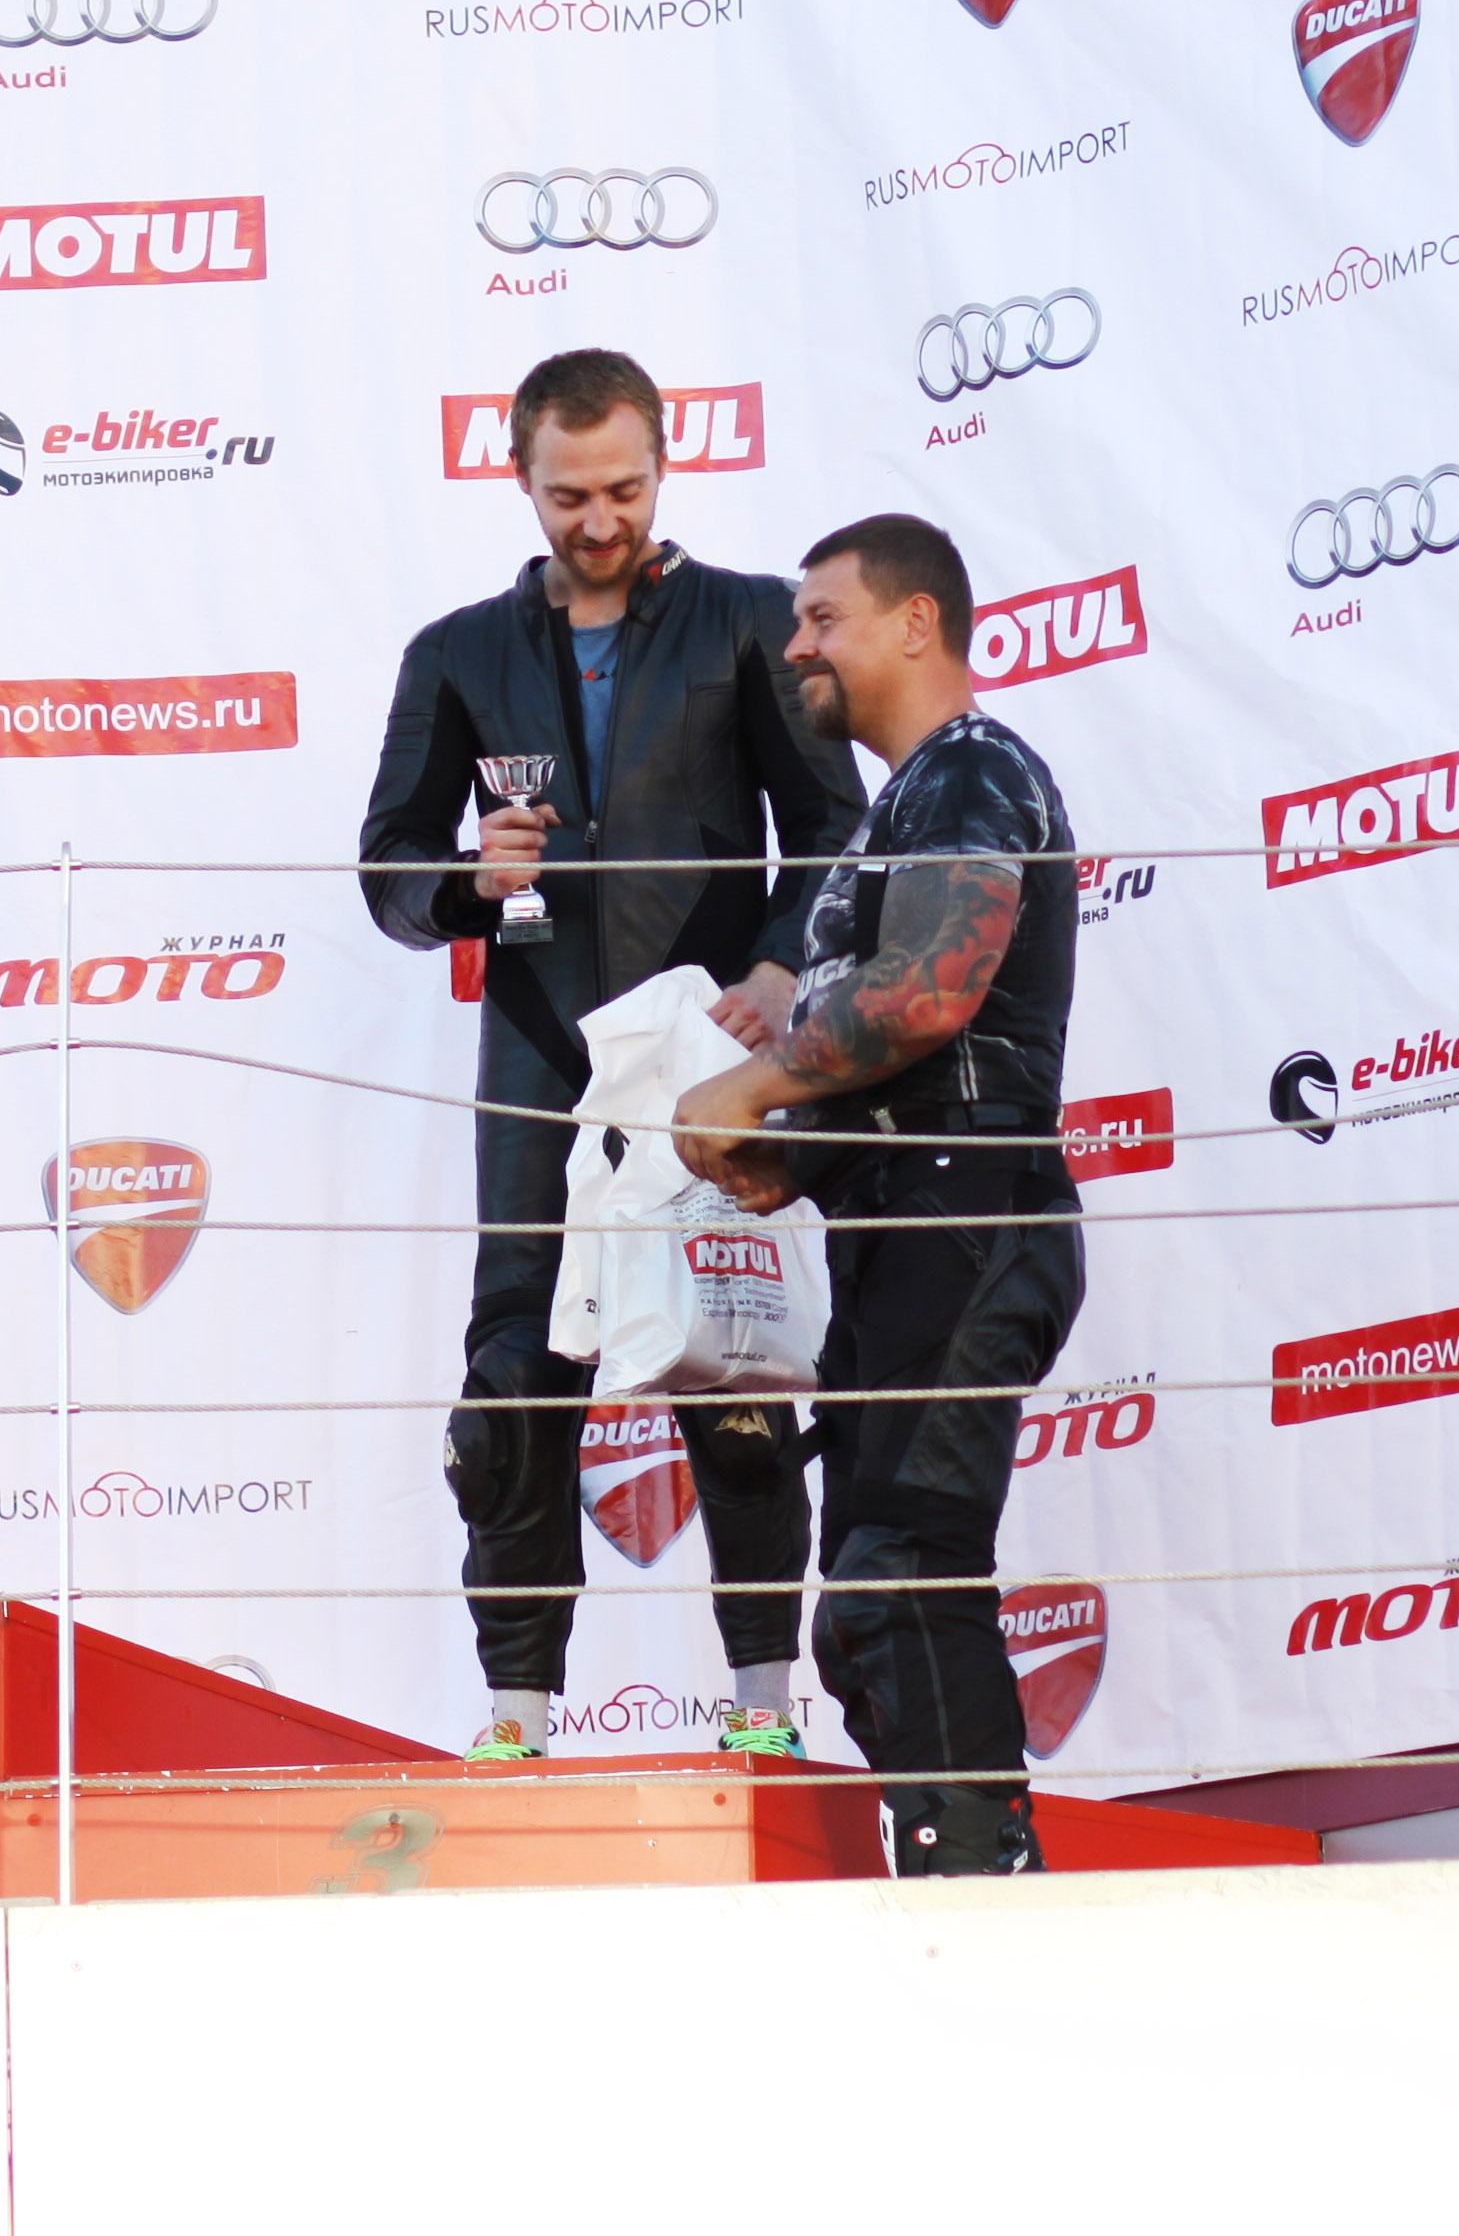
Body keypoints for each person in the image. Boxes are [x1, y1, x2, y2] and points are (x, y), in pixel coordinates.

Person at [359, 349, 867, 1762]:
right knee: (515, 1389)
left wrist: (778, 971)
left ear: (664, 464)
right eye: (570, 495)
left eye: (625, 490)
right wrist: (469, 880)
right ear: (519, 478)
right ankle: (517, 1721)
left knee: (738, 1370)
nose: (601, 520)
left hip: (713, 1059)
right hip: (538, 1067)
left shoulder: (751, 619)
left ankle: (763, 1714)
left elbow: (836, 830)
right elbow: (387, 867)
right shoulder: (456, 652)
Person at [675, 513, 1082, 1876]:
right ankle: (953, 1867)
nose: (797, 646)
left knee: (900, 1571)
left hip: (972, 1213)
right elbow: (903, 1049)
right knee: (859, 1608)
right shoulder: (891, 815)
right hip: (904, 1221)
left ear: (916, 623)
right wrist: (785, 1155)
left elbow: (930, 994)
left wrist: (754, 1088)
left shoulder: (972, 768)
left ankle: (989, 1892)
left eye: (822, 619)